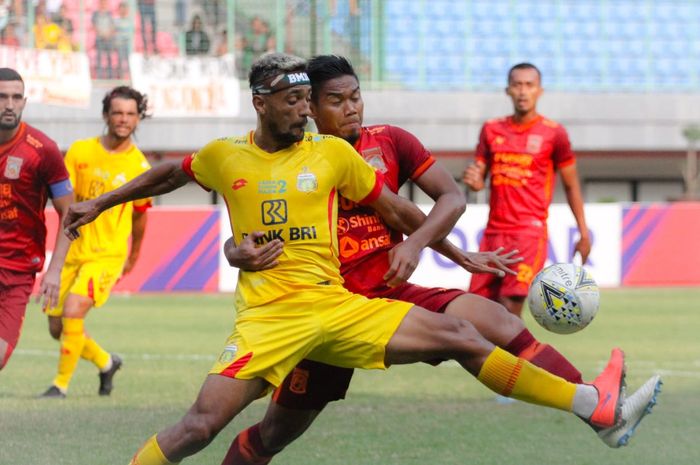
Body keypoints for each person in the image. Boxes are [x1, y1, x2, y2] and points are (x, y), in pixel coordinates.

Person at [64, 53, 641, 464]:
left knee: (470, 333)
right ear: (267, 104)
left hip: (340, 307)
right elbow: (171, 174)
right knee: (210, 426)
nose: (309, 113)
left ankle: (591, 403)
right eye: (300, 102)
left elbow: (397, 212)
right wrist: (108, 204)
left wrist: (456, 254)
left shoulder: (337, 157)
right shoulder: (226, 158)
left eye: (338, 99)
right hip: (271, 320)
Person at [219, 55, 663, 464]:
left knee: (496, 320)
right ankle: (597, 406)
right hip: (332, 309)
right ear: (310, 107)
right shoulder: (295, 163)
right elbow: (258, 231)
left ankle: (596, 407)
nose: (352, 108)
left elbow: (448, 200)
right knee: (273, 436)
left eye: (356, 96)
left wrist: (423, 247)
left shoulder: (391, 141)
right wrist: (234, 252)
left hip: (394, 293)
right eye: (336, 100)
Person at [40, 86, 151, 398]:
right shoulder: (80, 151)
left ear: (138, 119)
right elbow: (66, 202)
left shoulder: (139, 167)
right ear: (106, 115)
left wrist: (133, 256)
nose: (123, 119)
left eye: (131, 114)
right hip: (72, 250)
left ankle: (59, 386)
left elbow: (141, 217)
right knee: (57, 328)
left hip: (106, 254)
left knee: (73, 310)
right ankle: (106, 362)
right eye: (117, 112)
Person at [463, 62, 591, 318]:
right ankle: (503, 358)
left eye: (529, 85)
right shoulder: (491, 129)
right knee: (477, 311)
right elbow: (479, 176)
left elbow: (571, 184)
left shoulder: (554, 134)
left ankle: (516, 358)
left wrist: (583, 233)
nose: (523, 91)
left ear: (539, 91)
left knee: (509, 307)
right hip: (493, 234)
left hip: (527, 234)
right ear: (507, 90)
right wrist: (474, 182)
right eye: (517, 85)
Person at [0, 67, 73, 371]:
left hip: (17, 271)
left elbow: (70, 214)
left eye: (16, 97)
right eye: (2, 96)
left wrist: (55, 270)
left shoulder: (43, 151)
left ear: (24, 102)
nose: (9, 104)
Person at [92, 0, 116, 79]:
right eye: (102, 3)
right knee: (99, 58)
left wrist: (108, 35)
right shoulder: (96, 14)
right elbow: (94, 26)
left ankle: (110, 76)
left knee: (109, 58)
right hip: (100, 39)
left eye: (105, 3)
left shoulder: (110, 14)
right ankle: (99, 76)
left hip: (109, 39)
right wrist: (102, 34)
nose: (103, 4)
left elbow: (113, 26)